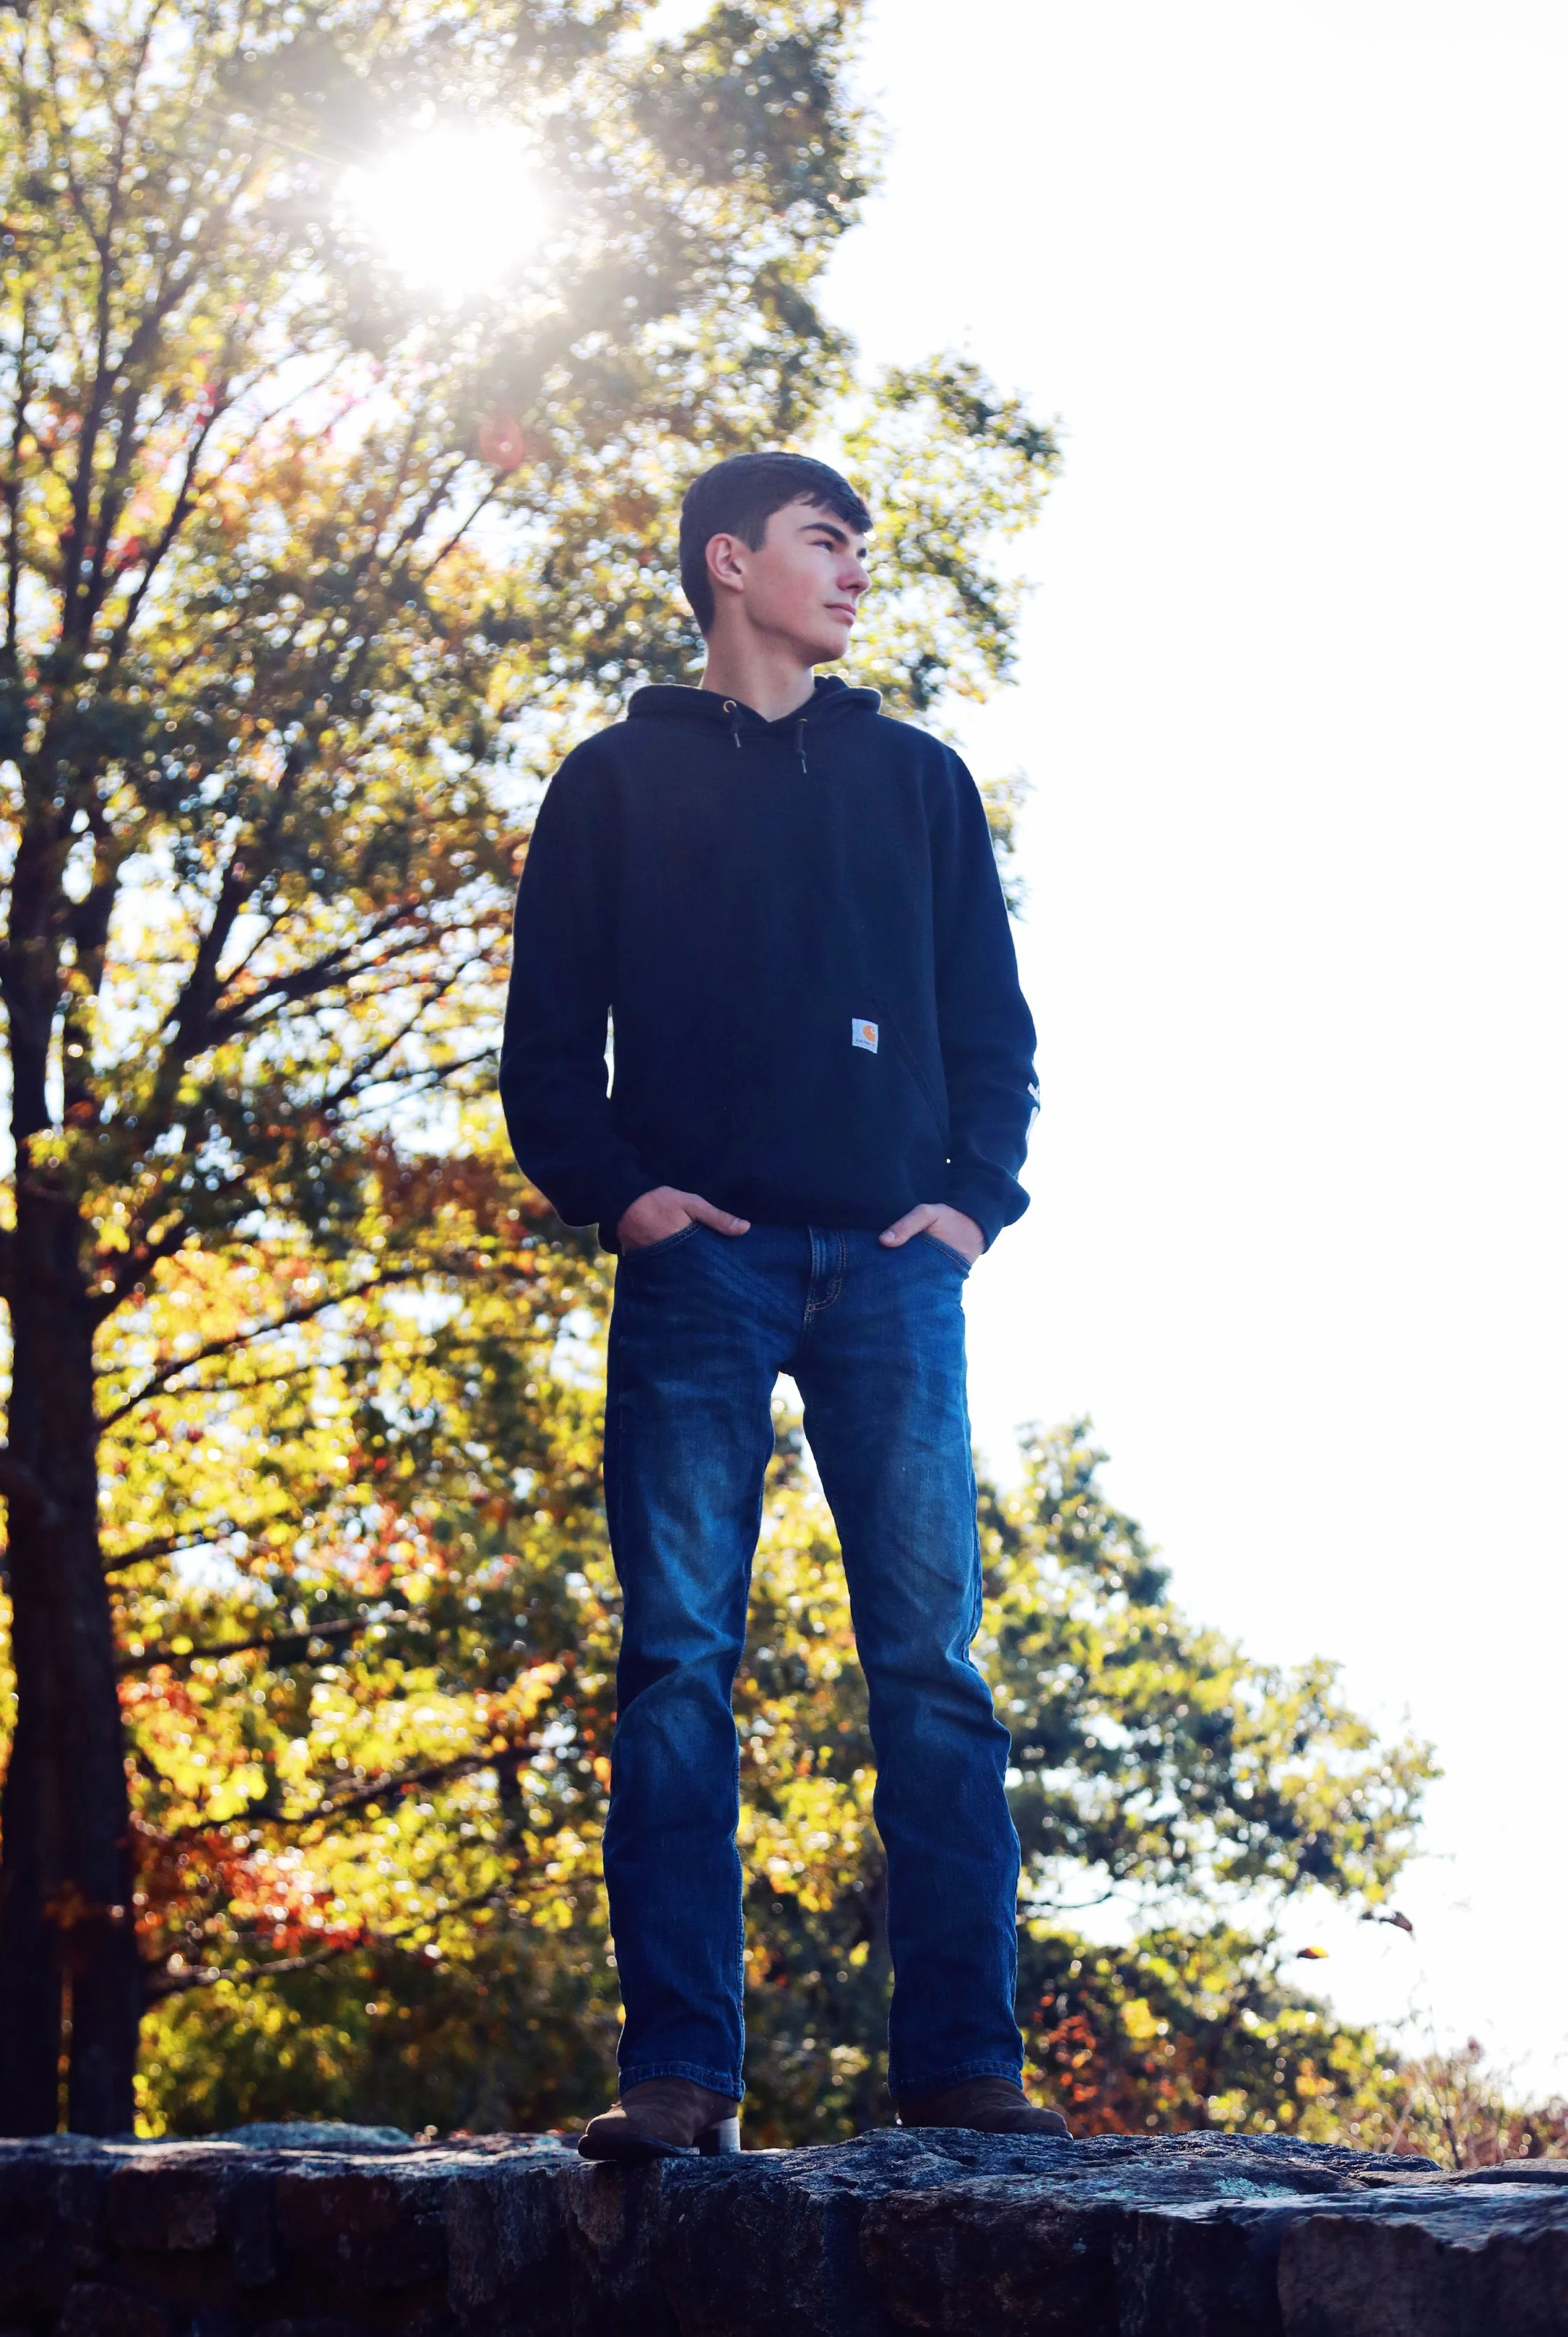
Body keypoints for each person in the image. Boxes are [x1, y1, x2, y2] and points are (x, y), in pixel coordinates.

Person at [498, 450, 1067, 2159]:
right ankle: (678, 2082)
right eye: (828, 543)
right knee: (675, 1663)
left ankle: (961, 2073)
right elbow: (543, 1053)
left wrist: (967, 1210)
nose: (855, 572)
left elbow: (996, 1033)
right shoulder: (609, 784)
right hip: (701, 1274)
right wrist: (629, 1201)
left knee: (933, 1671)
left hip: (894, 1277)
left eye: (863, 550)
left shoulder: (916, 779)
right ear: (728, 562)